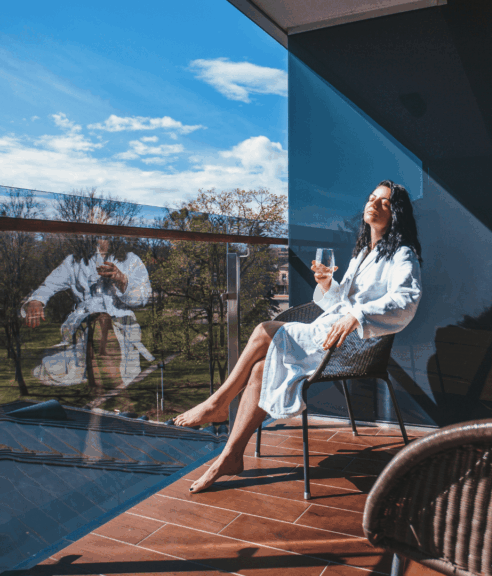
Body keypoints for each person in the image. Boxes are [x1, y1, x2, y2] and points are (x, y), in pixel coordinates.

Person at [174, 180, 423, 494]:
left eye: (384, 202)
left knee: (263, 331)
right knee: (260, 370)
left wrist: (357, 316)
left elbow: (406, 301)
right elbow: (340, 303)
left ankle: (218, 403)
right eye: (371, 198)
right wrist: (327, 283)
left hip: (348, 347)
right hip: (329, 336)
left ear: (396, 213)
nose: (373, 204)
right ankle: (231, 456)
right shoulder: (363, 253)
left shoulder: (402, 254)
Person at [22, 232, 154, 388]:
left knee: (103, 322)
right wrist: (36, 300)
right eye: (91, 229)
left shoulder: (130, 260)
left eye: (103, 230)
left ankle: (108, 378)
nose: (97, 237)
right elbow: (49, 285)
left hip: (121, 328)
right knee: (98, 325)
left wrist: (122, 280)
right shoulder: (73, 262)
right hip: (83, 330)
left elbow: (142, 298)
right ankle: (102, 380)